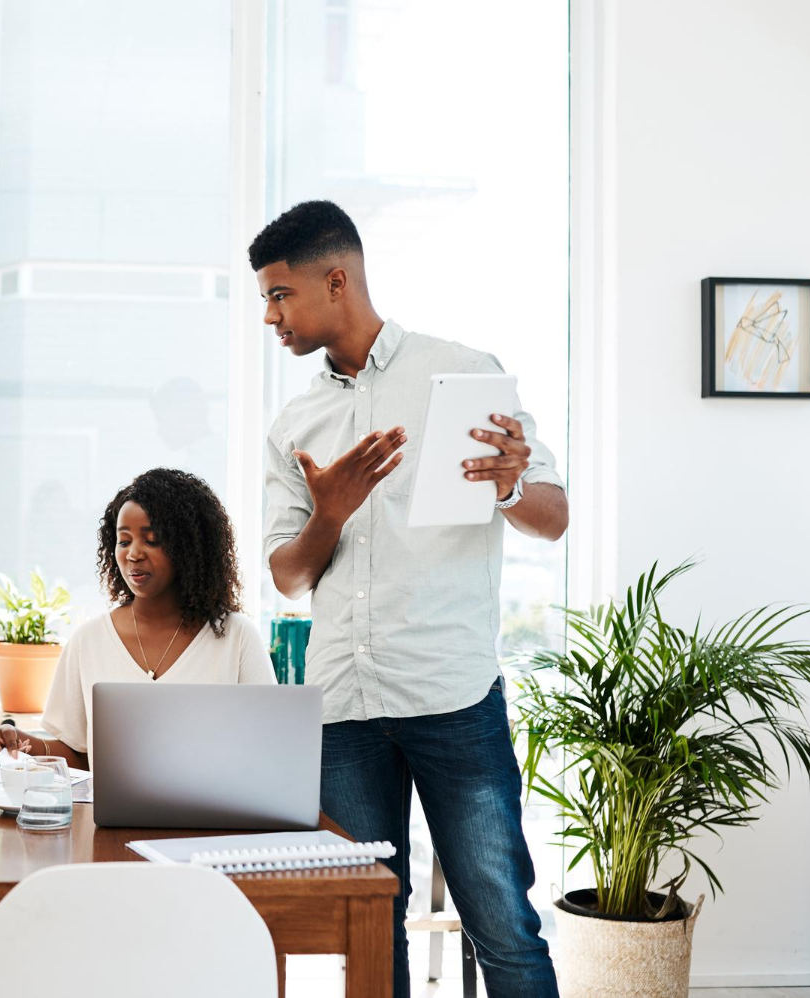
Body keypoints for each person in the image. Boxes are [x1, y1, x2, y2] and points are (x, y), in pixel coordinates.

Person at [253, 200, 567, 998]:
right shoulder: (294, 421)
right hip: (344, 710)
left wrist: (509, 485)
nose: (269, 316)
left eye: (279, 294)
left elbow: (553, 517)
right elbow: (286, 576)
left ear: (336, 279)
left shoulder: (459, 375)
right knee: (368, 930)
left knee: (504, 925)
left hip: (452, 697)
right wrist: (330, 513)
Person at [0, 468, 274, 765]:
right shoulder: (88, 641)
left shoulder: (236, 637)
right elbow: (79, 755)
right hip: (111, 814)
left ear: (190, 548)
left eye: (152, 540)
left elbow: (268, 748)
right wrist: (18, 740)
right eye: (124, 541)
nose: (133, 554)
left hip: (215, 810)